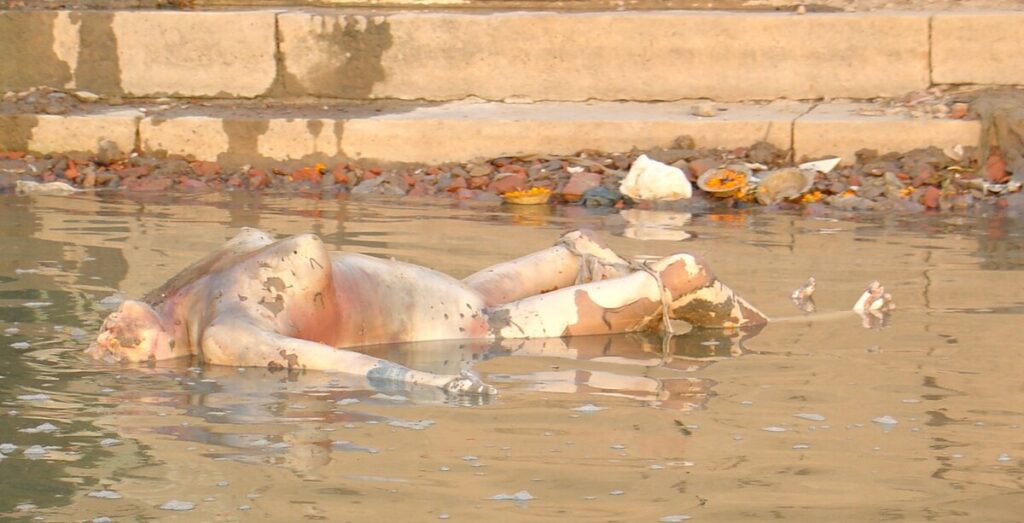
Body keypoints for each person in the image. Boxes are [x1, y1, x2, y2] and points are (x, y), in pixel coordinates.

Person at [87, 228, 767, 395]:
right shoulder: (201, 289)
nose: (110, 334)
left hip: (449, 328)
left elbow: (337, 365)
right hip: (422, 292)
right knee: (477, 297)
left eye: (113, 339)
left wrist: (429, 384)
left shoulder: (225, 334)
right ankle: (573, 255)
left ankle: (676, 277)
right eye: (118, 342)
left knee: (488, 323)